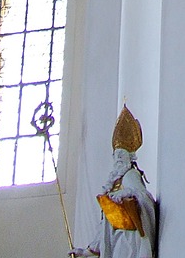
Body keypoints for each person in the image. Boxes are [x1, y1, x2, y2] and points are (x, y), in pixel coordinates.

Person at [73, 106, 157, 258]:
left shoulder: (131, 175)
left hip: (129, 240)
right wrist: (88, 251)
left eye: (121, 154)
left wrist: (127, 193)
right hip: (115, 239)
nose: (118, 158)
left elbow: (144, 197)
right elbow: (105, 225)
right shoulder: (112, 185)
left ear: (130, 157)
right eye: (116, 154)